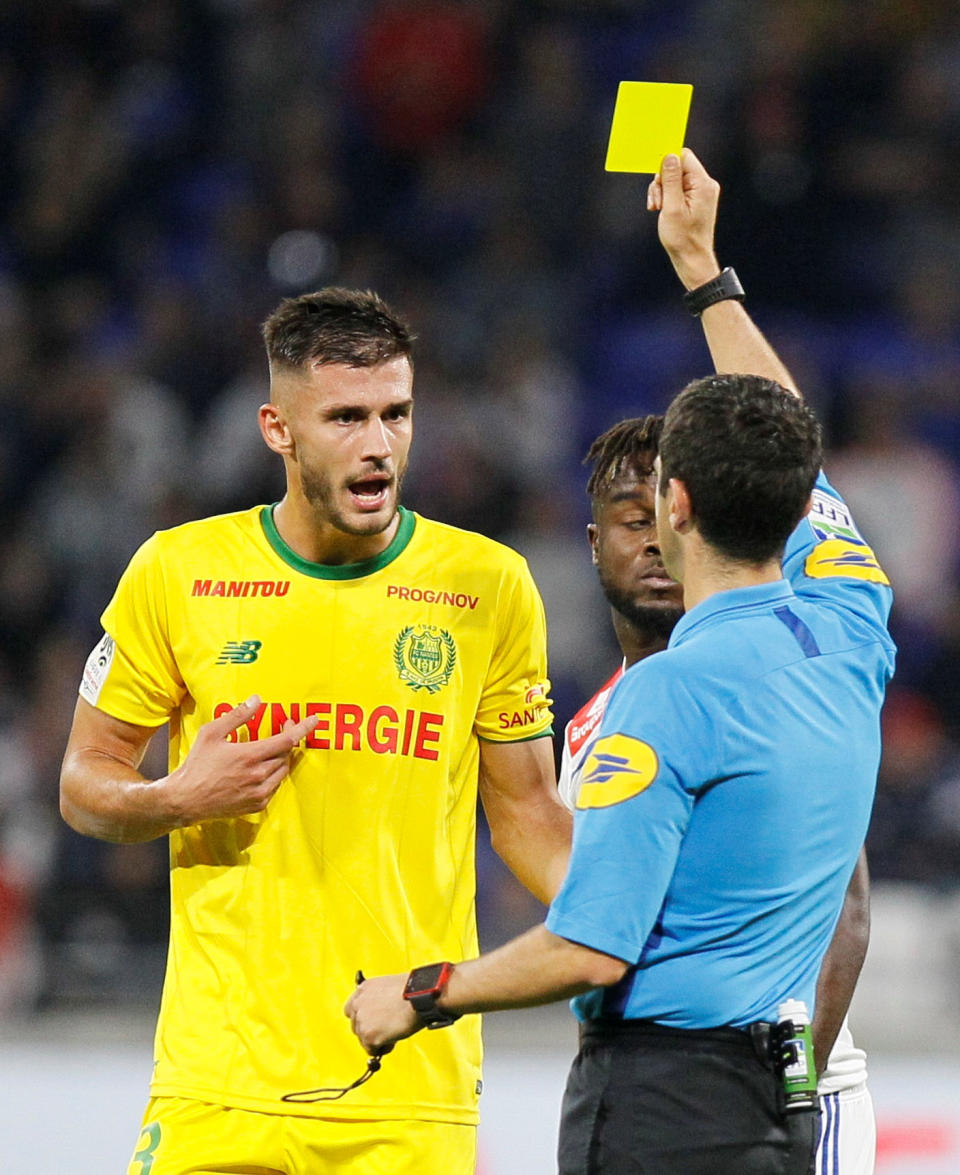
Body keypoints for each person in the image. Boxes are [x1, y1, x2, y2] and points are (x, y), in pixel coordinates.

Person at [346, 150, 896, 1175]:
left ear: (677, 505)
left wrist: (422, 992)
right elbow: (795, 455)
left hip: (668, 1102)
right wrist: (705, 273)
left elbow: (593, 944)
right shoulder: (852, 626)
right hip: (778, 1099)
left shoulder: (664, 696)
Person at [59, 287, 572, 1175]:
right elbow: (82, 785)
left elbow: (527, 814)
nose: (378, 444)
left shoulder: (487, 585)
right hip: (217, 1080)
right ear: (277, 428)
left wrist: (635, 916)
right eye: (344, 417)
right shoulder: (180, 572)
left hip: (407, 1082)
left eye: (396, 414)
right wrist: (179, 795)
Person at [561, 413, 876, 1175]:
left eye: (663, 516)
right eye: (629, 521)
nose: (651, 541)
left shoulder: (770, 676)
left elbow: (849, 910)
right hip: (667, 1104)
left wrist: (784, 1097)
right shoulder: (585, 731)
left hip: (793, 1102)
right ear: (596, 542)